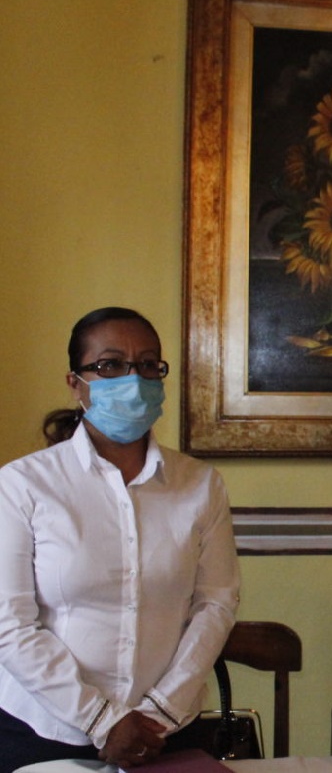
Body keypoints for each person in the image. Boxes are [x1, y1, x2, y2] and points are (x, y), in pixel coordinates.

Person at [0, 307, 240, 773]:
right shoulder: (24, 484)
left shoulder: (201, 484)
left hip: (166, 731)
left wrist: (158, 713)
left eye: (148, 365)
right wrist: (103, 719)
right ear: (76, 383)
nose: (133, 379)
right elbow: (10, 624)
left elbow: (216, 604)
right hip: (45, 732)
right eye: (110, 365)